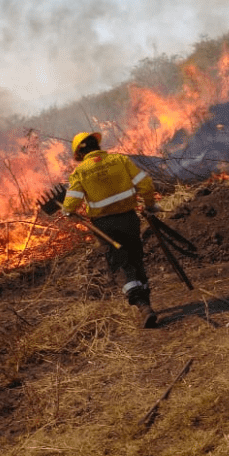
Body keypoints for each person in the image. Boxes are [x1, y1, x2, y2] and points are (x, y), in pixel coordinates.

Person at [62, 131, 162, 328]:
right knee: (135, 256)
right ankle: (147, 303)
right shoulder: (119, 160)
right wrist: (149, 204)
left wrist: (67, 211)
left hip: (104, 226)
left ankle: (142, 306)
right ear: (97, 146)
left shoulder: (80, 172)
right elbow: (145, 183)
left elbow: (71, 203)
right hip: (129, 219)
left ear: (79, 155)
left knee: (120, 262)